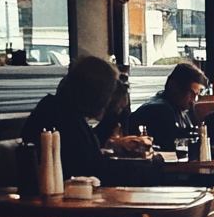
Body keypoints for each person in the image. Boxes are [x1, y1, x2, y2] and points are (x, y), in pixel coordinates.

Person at [22, 55, 152, 182]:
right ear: (97, 94)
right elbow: (93, 170)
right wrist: (149, 167)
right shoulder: (62, 119)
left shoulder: (58, 110)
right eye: (109, 93)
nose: (109, 99)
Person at [130, 61, 207, 151]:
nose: (193, 101)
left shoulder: (180, 108)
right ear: (173, 87)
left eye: (196, 95)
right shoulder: (158, 110)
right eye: (190, 94)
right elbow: (170, 148)